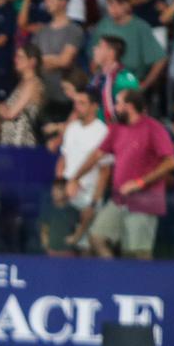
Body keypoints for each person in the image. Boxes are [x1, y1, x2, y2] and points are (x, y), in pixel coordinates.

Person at [68, 89, 174, 260]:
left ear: (130, 106)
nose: (115, 108)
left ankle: (139, 285)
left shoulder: (153, 128)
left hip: (145, 199)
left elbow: (171, 162)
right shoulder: (117, 128)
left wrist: (140, 182)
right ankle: (117, 276)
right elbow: (97, 154)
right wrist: (75, 178)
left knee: (136, 253)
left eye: (118, 103)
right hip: (119, 198)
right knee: (96, 238)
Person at [91, 0, 168, 97]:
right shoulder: (102, 26)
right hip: (106, 85)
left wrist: (143, 86)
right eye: (111, 3)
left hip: (131, 85)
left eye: (120, 3)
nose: (114, 8)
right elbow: (93, 61)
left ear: (128, 5)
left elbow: (160, 60)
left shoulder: (141, 27)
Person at [56, 88, 109, 249]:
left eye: (82, 103)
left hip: (89, 199)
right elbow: (63, 159)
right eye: (75, 103)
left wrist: (93, 203)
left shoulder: (102, 132)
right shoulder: (71, 128)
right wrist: (60, 186)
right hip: (68, 198)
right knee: (64, 249)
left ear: (94, 106)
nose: (77, 107)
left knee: (88, 248)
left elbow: (105, 171)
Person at [34, 0, 85, 125]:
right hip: (43, 97)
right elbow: (33, 61)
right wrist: (52, 59)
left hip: (65, 98)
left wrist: (44, 60)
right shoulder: (41, 31)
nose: (46, 2)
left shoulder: (73, 30)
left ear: (63, 1)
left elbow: (65, 61)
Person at [0, 43, 45, 146]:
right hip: (10, 141)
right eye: (16, 56)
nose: (16, 60)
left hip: (21, 142)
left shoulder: (32, 83)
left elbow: (10, 113)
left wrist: (0, 108)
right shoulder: (22, 83)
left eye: (20, 57)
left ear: (32, 62)